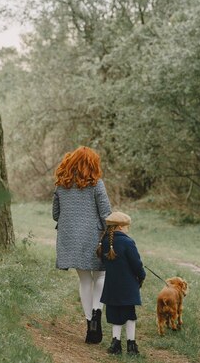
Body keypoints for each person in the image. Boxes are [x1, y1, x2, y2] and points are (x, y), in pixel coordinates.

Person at [52, 146, 112, 344]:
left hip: (70, 238)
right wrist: (109, 231)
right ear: (92, 163)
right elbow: (106, 213)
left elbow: (55, 214)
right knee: (101, 274)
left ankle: (89, 325)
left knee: (85, 280)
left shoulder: (61, 185)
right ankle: (97, 313)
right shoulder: (96, 184)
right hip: (94, 236)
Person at [97, 211, 146, 356]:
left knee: (115, 316)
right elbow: (136, 264)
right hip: (127, 286)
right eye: (126, 227)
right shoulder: (128, 242)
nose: (127, 230)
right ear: (119, 227)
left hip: (112, 285)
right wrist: (142, 275)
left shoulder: (104, 242)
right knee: (130, 316)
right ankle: (131, 346)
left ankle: (115, 344)